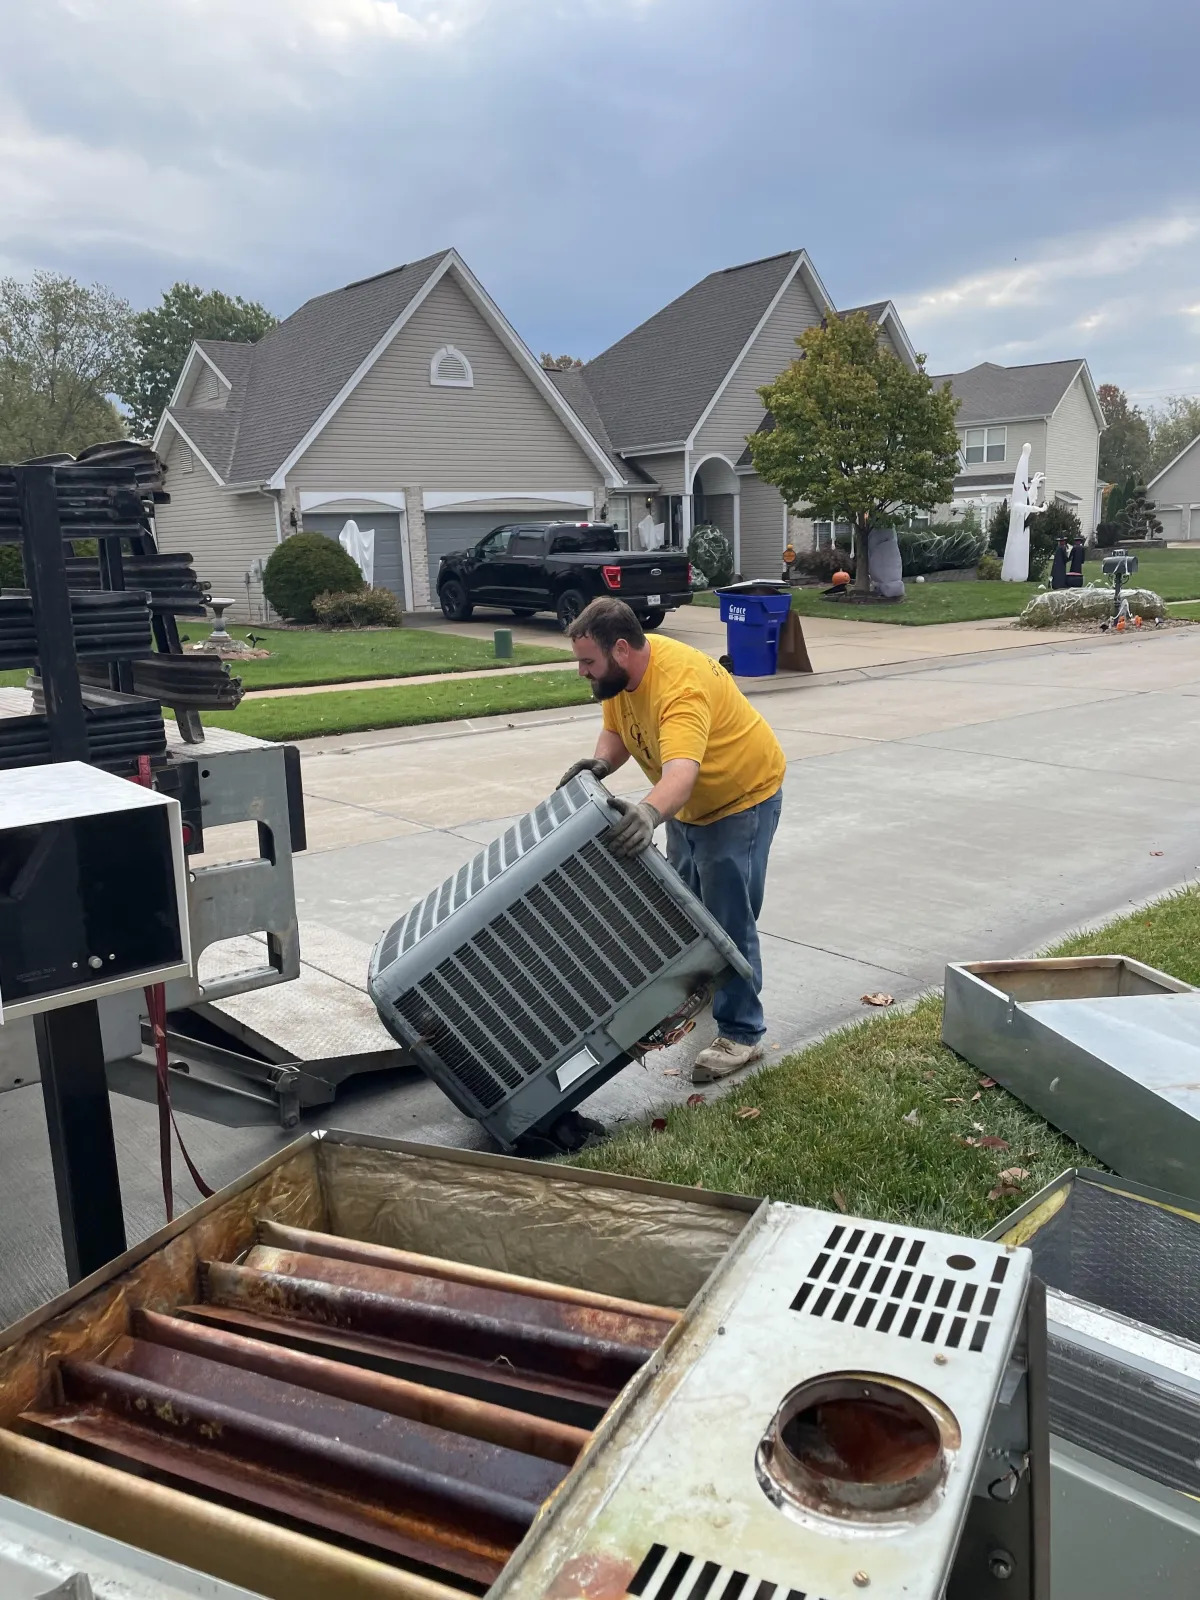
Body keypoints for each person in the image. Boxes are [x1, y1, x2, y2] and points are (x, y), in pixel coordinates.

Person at [557, 597, 785, 1083]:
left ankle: (742, 1034)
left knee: (728, 920)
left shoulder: (678, 685)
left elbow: (682, 772)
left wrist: (647, 811)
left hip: (739, 801)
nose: (582, 671)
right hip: (686, 807)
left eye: (588, 661)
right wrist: (600, 764)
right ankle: (700, 993)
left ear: (620, 649)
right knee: (685, 909)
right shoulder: (622, 675)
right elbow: (619, 730)